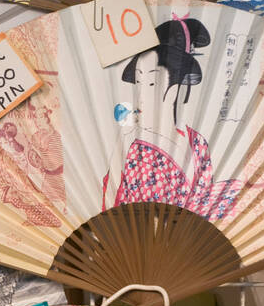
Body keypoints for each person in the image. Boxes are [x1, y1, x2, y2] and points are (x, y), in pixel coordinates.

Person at [101, 16, 241, 221]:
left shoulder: (197, 142)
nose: (139, 95)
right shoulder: (138, 151)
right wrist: (120, 146)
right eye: (138, 82)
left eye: (150, 83)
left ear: (172, 91)